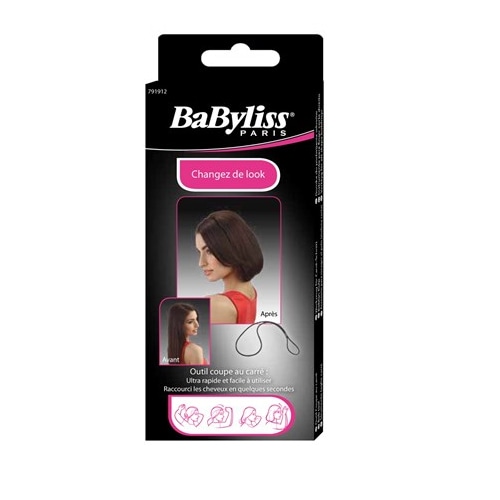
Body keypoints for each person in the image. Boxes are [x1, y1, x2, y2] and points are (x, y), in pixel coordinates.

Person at [195, 210, 264, 324]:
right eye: (199, 252)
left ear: (232, 248)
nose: (201, 263)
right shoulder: (250, 292)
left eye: (209, 251)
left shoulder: (215, 305)